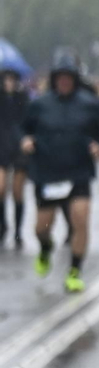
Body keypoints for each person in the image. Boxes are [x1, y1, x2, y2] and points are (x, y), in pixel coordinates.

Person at [20, 53, 99, 292]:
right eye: (59, 77)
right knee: (41, 228)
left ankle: (74, 271)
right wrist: (26, 140)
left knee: (80, 221)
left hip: (78, 172)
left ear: (74, 79)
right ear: (54, 79)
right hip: (47, 173)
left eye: (68, 77)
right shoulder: (40, 104)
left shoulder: (89, 104)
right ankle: (45, 248)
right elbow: (23, 129)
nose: (64, 82)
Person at [1, 66, 29, 248]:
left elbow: (27, 120)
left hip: (19, 147)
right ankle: (2, 225)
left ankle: (18, 230)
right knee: (1, 189)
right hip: (1, 146)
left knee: (18, 192)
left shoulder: (22, 98)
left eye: (12, 79)